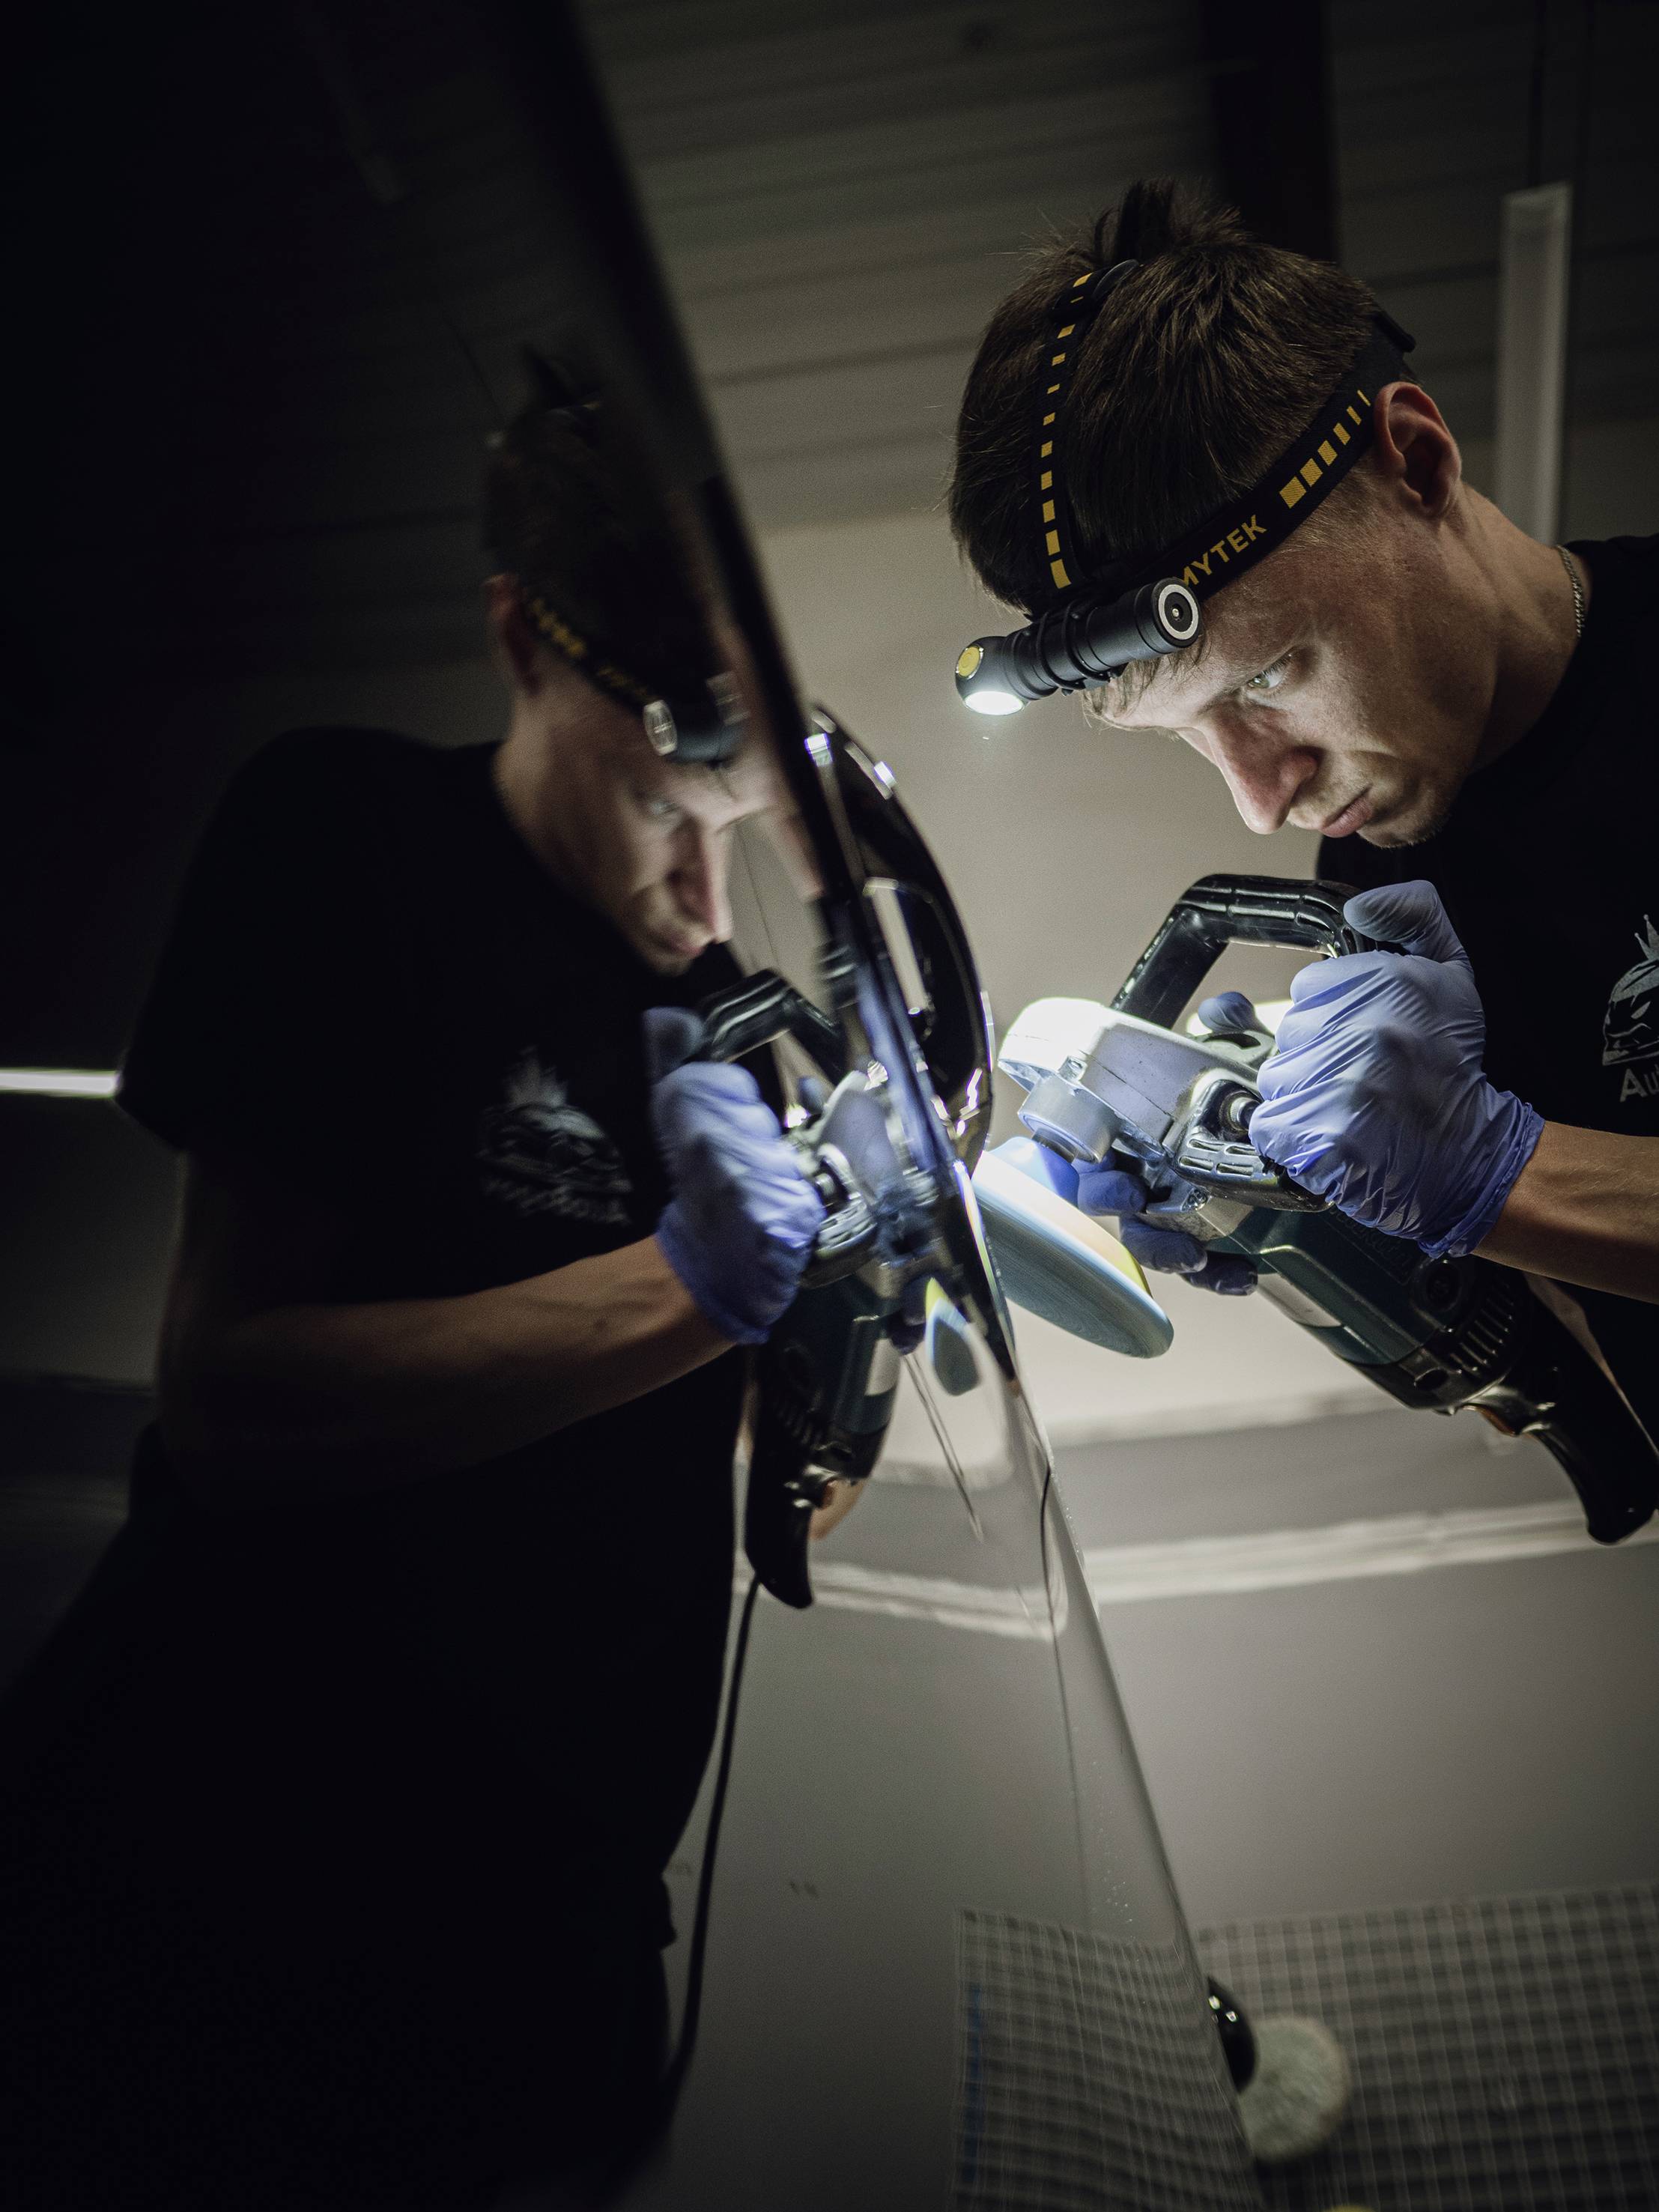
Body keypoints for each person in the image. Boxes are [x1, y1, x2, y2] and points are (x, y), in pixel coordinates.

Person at [0, 368, 824, 2208]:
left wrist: (852, 1336)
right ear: (522, 639)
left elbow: (746, 1461)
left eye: (736, 803)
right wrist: (688, 1292)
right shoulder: (351, 832)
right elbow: (231, 1398)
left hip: (556, 1962)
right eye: (663, 795)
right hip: (222, 1890)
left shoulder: (719, 1023)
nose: (705, 879)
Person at [947, 179, 1656, 1439]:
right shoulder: (1383, 880)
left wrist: (1503, 1175)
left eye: (1268, 675)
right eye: (1188, 733)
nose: (1260, 799)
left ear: (1417, 462)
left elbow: (1520, 1186)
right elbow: (1596, 1355)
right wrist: (1317, 1227)